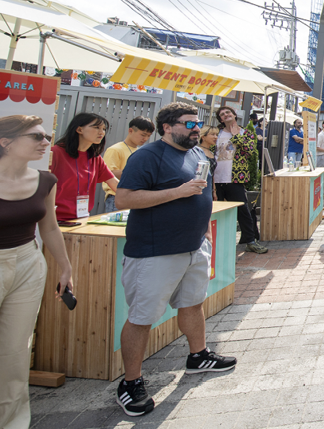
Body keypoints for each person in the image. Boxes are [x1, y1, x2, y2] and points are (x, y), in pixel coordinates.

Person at [114, 102, 236, 417]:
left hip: (194, 246)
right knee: (142, 317)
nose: (196, 128)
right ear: (167, 127)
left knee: (193, 304)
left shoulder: (197, 154)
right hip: (156, 250)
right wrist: (176, 193)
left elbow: (204, 193)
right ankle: (130, 382)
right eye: (189, 123)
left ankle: (198, 356)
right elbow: (125, 197)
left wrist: (206, 231)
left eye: (198, 123)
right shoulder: (146, 156)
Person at [0, 116, 73, 429]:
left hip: (28, 263)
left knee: (13, 353)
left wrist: (65, 266)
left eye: (47, 136)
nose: (45, 143)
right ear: (5, 142)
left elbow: (49, 226)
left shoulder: (45, 180)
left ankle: (8, 423)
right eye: (36, 136)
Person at [214, 106, 267, 254]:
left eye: (228, 112)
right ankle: (218, 242)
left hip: (235, 178)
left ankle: (250, 240)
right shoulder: (216, 133)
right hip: (215, 178)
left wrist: (235, 135)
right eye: (222, 114)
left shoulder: (246, 133)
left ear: (234, 115)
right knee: (216, 212)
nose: (225, 115)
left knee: (242, 210)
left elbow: (250, 151)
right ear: (220, 119)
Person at [50, 113, 118, 221]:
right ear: (79, 129)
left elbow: (115, 184)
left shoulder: (95, 158)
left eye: (104, 129)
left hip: (82, 219)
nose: (102, 132)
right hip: (54, 220)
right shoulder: (55, 153)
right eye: (96, 127)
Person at [103, 116, 155, 213]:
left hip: (135, 198)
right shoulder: (115, 149)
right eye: (143, 134)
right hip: (116, 196)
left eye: (148, 135)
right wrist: (136, 172)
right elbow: (107, 174)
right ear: (130, 131)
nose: (145, 138)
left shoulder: (140, 151)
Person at [199, 126, 220, 201]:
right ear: (203, 137)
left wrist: (214, 191)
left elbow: (212, 174)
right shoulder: (196, 152)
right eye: (212, 134)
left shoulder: (211, 153)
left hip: (209, 188)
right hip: (198, 187)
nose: (216, 137)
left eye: (216, 134)